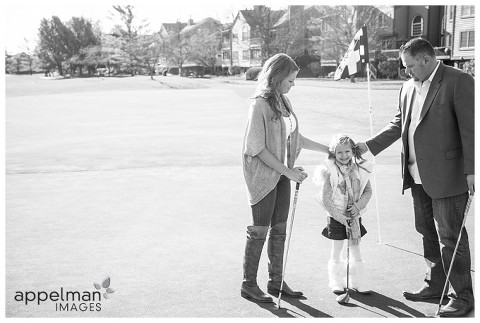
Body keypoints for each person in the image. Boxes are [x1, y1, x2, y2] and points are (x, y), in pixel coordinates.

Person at [357, 37, 474, 317]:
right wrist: (368, 146)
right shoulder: (407, 86)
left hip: (448, 174)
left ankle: (462, 296)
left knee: (450, 236)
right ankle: (435, 285)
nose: (406, 71)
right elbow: (400, 123)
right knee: (426, 232)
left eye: (409, 66)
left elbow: (472, 129)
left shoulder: (459, 80)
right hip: (415, 173)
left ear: (426, 59)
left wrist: (472, 170)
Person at [241, 53, 329, 303]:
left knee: (279, 229)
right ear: (277, 77)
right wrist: (288, 171)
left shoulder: (284, 102)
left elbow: (295, 138)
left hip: (281, 174)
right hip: (263, 175)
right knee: (260, 230)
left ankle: (276, 282)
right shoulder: (258, 104)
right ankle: (248, 284)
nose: (293, 84)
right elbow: (256, 147)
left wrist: (328, 149)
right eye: (290, 80)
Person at [313, 135, 373, 295]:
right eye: (339, 152)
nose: (344, 155)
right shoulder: (330, 171)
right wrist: (340, 217)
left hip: (354, 216)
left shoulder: (361, 169)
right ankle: (336, 281)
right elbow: (326, 198)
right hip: (336, 216)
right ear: (334, 153)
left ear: (353, 151)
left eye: (347, 151)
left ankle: (358, 281)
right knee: (337, 248)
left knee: (355, 248)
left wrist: (358, 206)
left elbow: (368, 191)